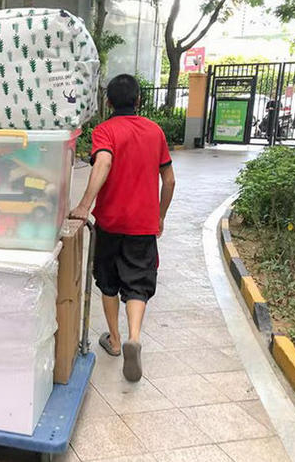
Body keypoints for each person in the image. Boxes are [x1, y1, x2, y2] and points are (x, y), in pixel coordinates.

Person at [70, 74, 176, 382]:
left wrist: (84, 205)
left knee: (108, 281)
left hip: (110, 222)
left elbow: (103, 162)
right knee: (138, 282)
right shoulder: (155, 131)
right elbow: (169, 180)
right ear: (139, 100)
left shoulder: (105, 130)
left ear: (108, 102)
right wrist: (160, 216)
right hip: (143, 225)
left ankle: (115, 341)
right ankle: (134, 337)